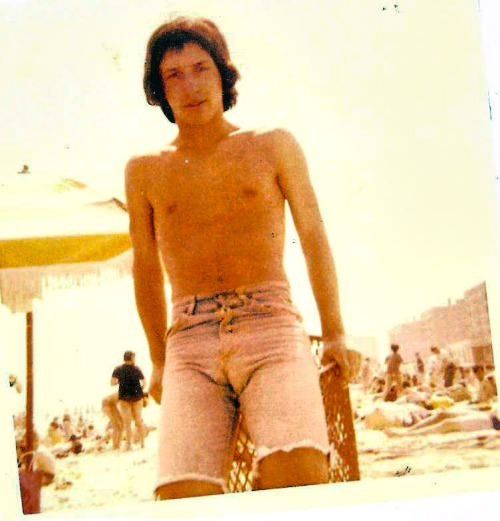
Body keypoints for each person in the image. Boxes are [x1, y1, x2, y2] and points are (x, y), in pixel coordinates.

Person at [126, 16, 351, 500]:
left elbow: (313, 236)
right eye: (174, 75)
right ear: (159, 91)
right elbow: (145, 268)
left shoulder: (271, 144)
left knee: (300, 475)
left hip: (269, 325)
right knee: (181, 495)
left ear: (223, 74)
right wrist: (158, 360)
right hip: (189, 339)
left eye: (201, 68)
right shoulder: (145, 170)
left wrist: (334, 331)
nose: (190, 85)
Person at [111, 351, 146, 451]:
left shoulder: (118, 369)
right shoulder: (137, 368)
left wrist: (120, 382)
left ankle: (128, 445)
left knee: (127, 423)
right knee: (138, 420)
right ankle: (142, 443)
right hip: (137, 397)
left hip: (124, 398)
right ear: (132, 358)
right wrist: (141, 389)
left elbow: (112, 383)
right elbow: (144, 382)